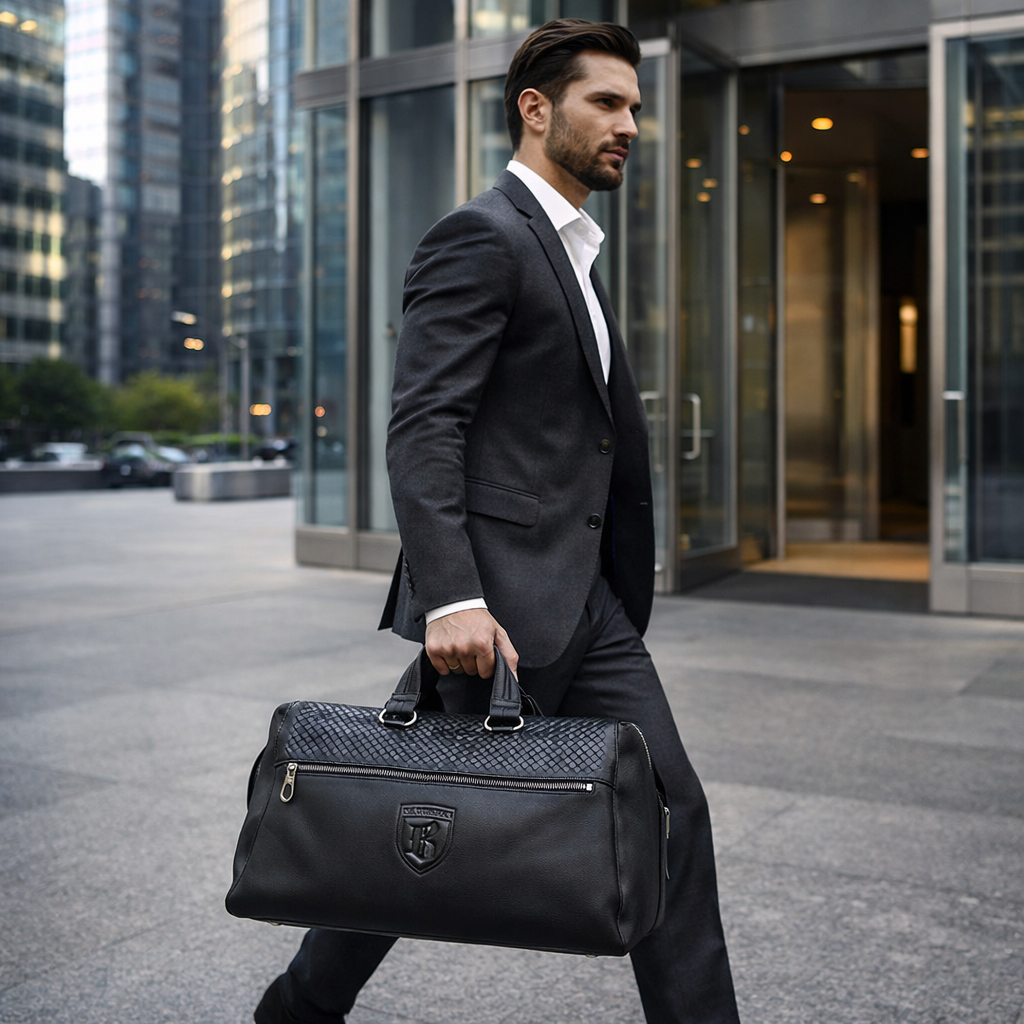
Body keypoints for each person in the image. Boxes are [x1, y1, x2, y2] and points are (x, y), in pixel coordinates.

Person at [255, 19, 740, 1024]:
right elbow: (425, 423)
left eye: (634, 108)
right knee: (405, 819)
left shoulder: (574, 248)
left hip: (584, 602)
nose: (628, 126)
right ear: (535, 108)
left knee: (662, 815)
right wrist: (456, 595)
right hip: (498, 605)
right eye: (606, 103)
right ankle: (298, 1009)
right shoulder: (482, 234)